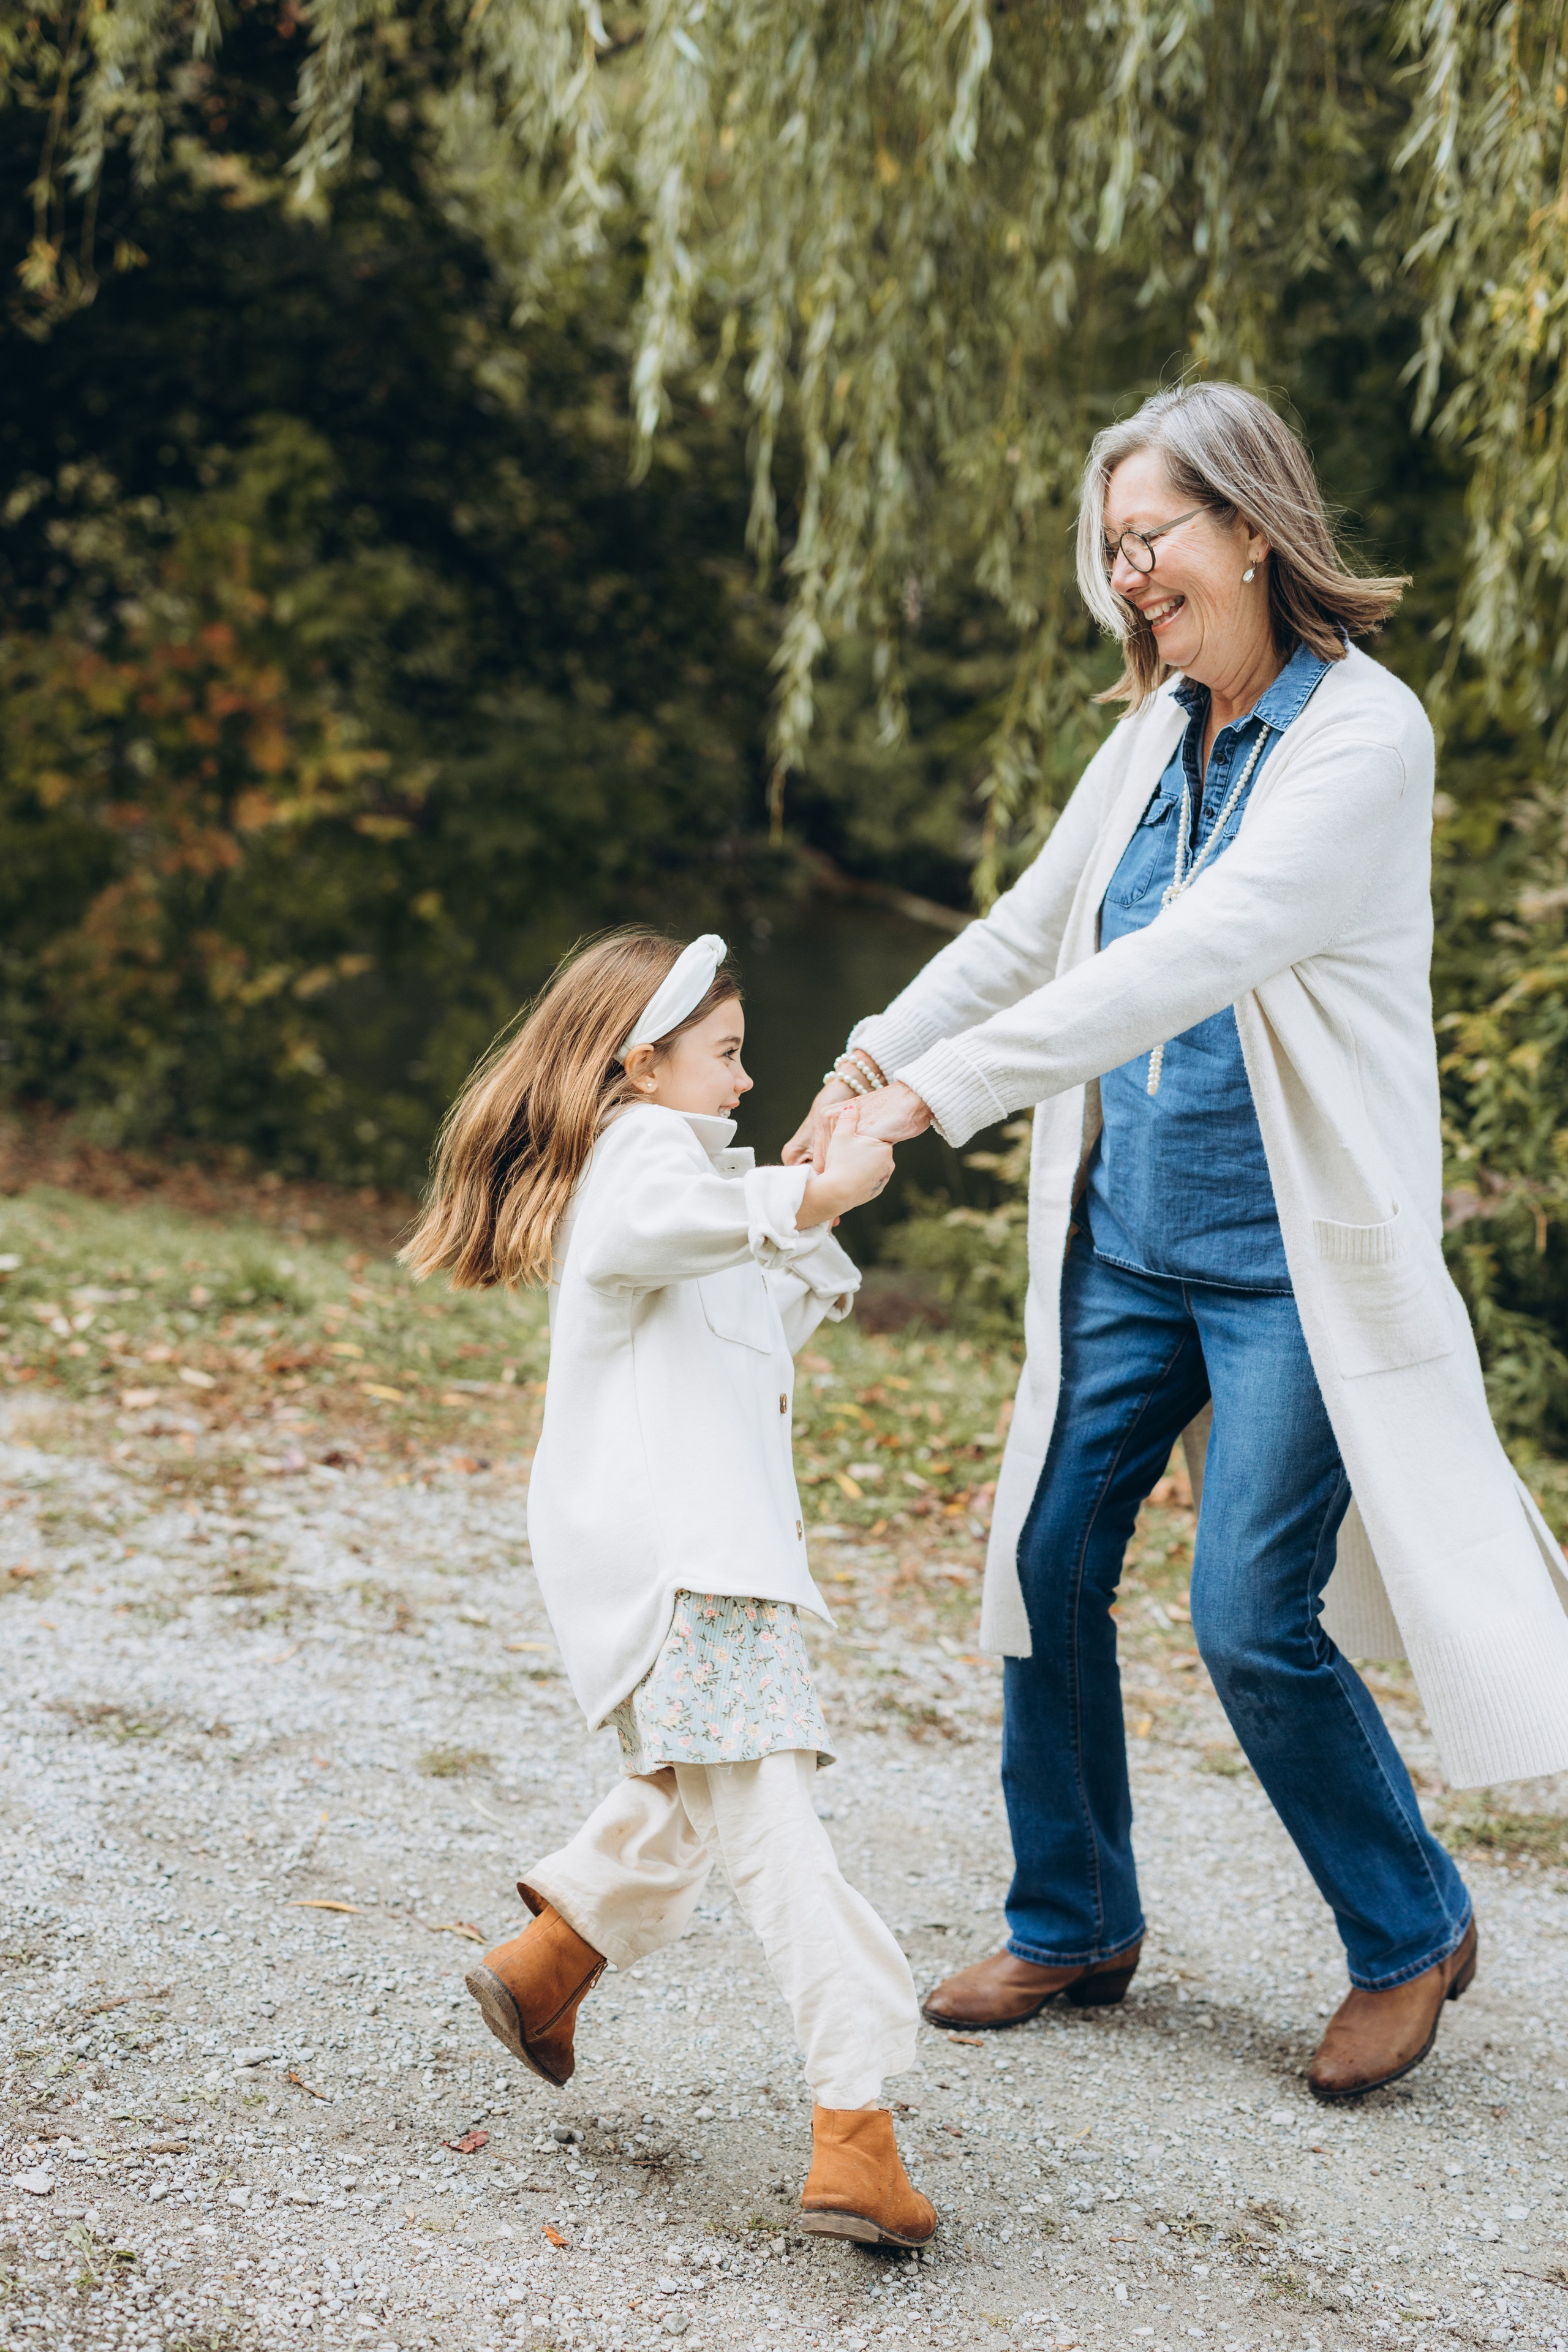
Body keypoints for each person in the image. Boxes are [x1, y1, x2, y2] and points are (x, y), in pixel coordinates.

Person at [787, 382, 1568, 2103]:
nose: (1131, 573)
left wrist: (935, 1105)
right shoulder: (1154, 734)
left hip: (1291, 1262)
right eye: (1117, 545)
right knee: (1045, 1562)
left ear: (1256, 533)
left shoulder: (1364, 738)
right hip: (1127, 1238)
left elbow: (1191, 953)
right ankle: (1071, 1918)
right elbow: (1027, 934)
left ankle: (1409, 1928)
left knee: (1248, 1613)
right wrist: (867, 1062)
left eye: (1156, 539)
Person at [401, 928, 936, 2247]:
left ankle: (547, 1968)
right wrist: (810, 1200)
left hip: (703, 1563)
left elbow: (755, 1311)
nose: (748, 1081)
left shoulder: (683, 1182)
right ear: (641, 1063)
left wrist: (808, 1189)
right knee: (774, 1829)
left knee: (700, 1788)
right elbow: (675, 1223)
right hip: (692, 1567)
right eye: (729, 1053)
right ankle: (851, 2127)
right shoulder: (639, 1160)